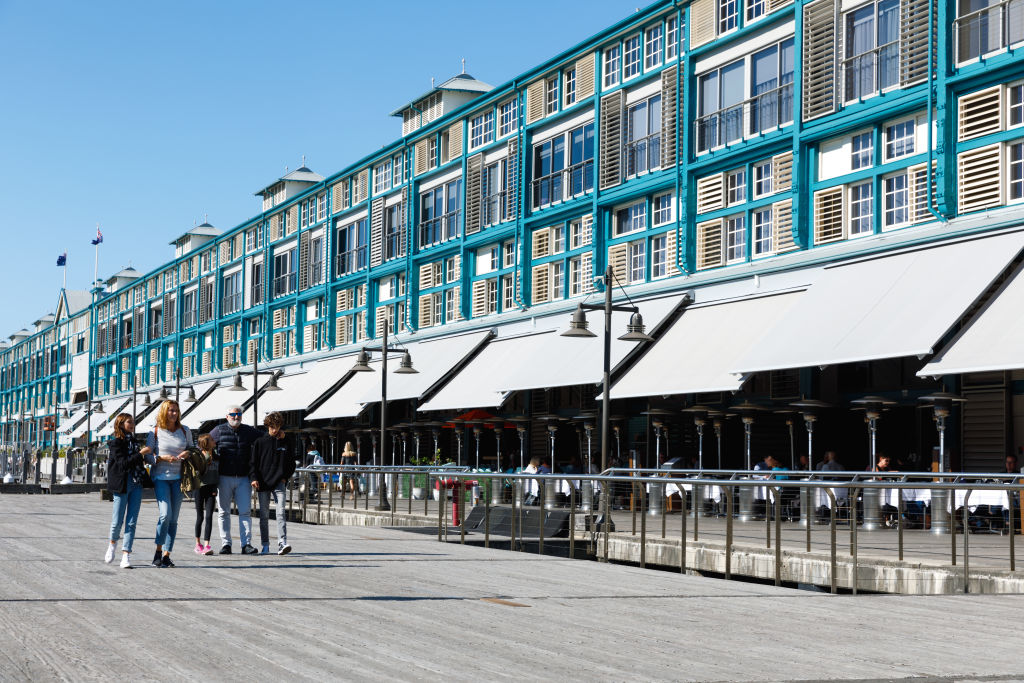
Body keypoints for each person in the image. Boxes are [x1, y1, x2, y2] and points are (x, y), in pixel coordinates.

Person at [142, 400, 193, 568]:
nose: (174, 413)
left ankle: (167, 555)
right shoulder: (155, 432)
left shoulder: (185, 431)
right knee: (165, 515)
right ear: (164, 412)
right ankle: (157, 550)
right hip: (161, 478)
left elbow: (193, 450)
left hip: (179, 478)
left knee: (174, 519)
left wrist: (187, 453)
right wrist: (161, 458)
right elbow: (147, 456)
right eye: (171, 410)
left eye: (176, 410)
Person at [210, 404, 261, 555]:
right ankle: (226, 544)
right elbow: (204, 443)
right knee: (223, 512)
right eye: (233, 415)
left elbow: (264, 438)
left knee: (245, 512)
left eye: (239, 415)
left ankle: (246, 544)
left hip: (244, 478)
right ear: (227, 416)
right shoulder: (218, 430)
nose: (236, 417)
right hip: (223, 477)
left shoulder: (249, 431)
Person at [250, 412, 295, 555]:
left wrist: (285, 477)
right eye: (272, 427)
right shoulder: (259, 442)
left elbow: (292, 462)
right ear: (267, 426)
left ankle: (282, 542)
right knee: (263, 515)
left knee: (281, 513)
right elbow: (253, 463)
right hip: (262, 482)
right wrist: (254, 478)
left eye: (277, 426)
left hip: (279, 482)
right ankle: (265, 545)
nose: (275, 430)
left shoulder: (285, 441)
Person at [105, 413, 145, 569]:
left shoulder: (135, 442)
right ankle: (112, 544)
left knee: (132, 521)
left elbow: (137, 461)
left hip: (136, 482)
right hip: (122, 483)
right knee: (117, 521)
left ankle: (126, 554)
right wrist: (140, 454)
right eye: (129, 422)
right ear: (121, 424)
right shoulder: (115, 443)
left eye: (133, 422)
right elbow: (123, 464)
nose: (132, 424)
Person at [193, 434, 219, 556]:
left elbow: (217, 474)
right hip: (199, 488)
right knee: (200, 517)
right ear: (206, 443)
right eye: (212, 440)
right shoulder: (199, 457)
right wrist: (206, 457)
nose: (215, 441)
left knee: (209, 516)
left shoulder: (216, 456)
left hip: (211, 489)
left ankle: (207, 544)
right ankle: (198, 544)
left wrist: (215, 488)